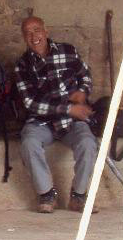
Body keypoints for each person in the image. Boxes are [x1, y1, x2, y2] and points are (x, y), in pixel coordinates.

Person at [14, 16, 99, 213]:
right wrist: (67, 108)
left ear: (46, 31)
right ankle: (46, 194)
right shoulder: (22, 65)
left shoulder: (68, 51)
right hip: (41, 122)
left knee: (88, 143)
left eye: (37, 30)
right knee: (29, 143)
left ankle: (78, 196)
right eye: (28, 33)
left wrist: (83, 91)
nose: (33, 36)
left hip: (72, 121)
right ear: (24, 37)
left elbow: (85, 75)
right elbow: (30, 103)